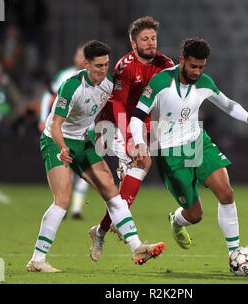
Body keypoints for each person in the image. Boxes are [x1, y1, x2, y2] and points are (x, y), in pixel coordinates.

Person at [25, 40, 165, 272]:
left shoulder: (108, 85)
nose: (103, 70)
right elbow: (57, 125)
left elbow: (101, 114)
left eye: (106, 64)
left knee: (111, 189)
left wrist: (102, 137)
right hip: (55, 140)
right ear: (85, 64)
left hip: (81, 140)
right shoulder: (71, 86)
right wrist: (62, 148)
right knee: (63, 200)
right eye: (98, 65)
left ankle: (137, 246)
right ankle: (37, 260)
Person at [128, 38, 248, 256]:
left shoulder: (204, 82)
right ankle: (176, 221)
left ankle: (235, 255)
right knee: (195, 215)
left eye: (201, 67)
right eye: (193, 66)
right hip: (171, 154)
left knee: (226, 193)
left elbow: (227, 104)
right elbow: (137, 118)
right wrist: (139, 143)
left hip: (197, 142)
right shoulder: (160, 83)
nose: (197, 72)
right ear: (182, 61)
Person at [88, 16, 174, 262]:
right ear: (133, 43)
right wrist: (128, 138)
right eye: (145, 39)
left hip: (149, 128)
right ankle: (135, 246)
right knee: (143, 164)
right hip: (122, 126)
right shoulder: (125, 67)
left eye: (153, 38)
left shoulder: (165, 64)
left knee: (123, 194)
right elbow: (118, 105)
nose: (150, 43)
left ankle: (101, 231)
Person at [39, 43, 90, 220]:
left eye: (83, 55)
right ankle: (65, 203)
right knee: (65, 167)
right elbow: (48, 95)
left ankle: (76, 209)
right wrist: (43, 119)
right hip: (63, 129)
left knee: (84, 168)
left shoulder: (98, 79)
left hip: (86, 129)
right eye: (78, 55)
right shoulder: (65, 76)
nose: (79, 58)